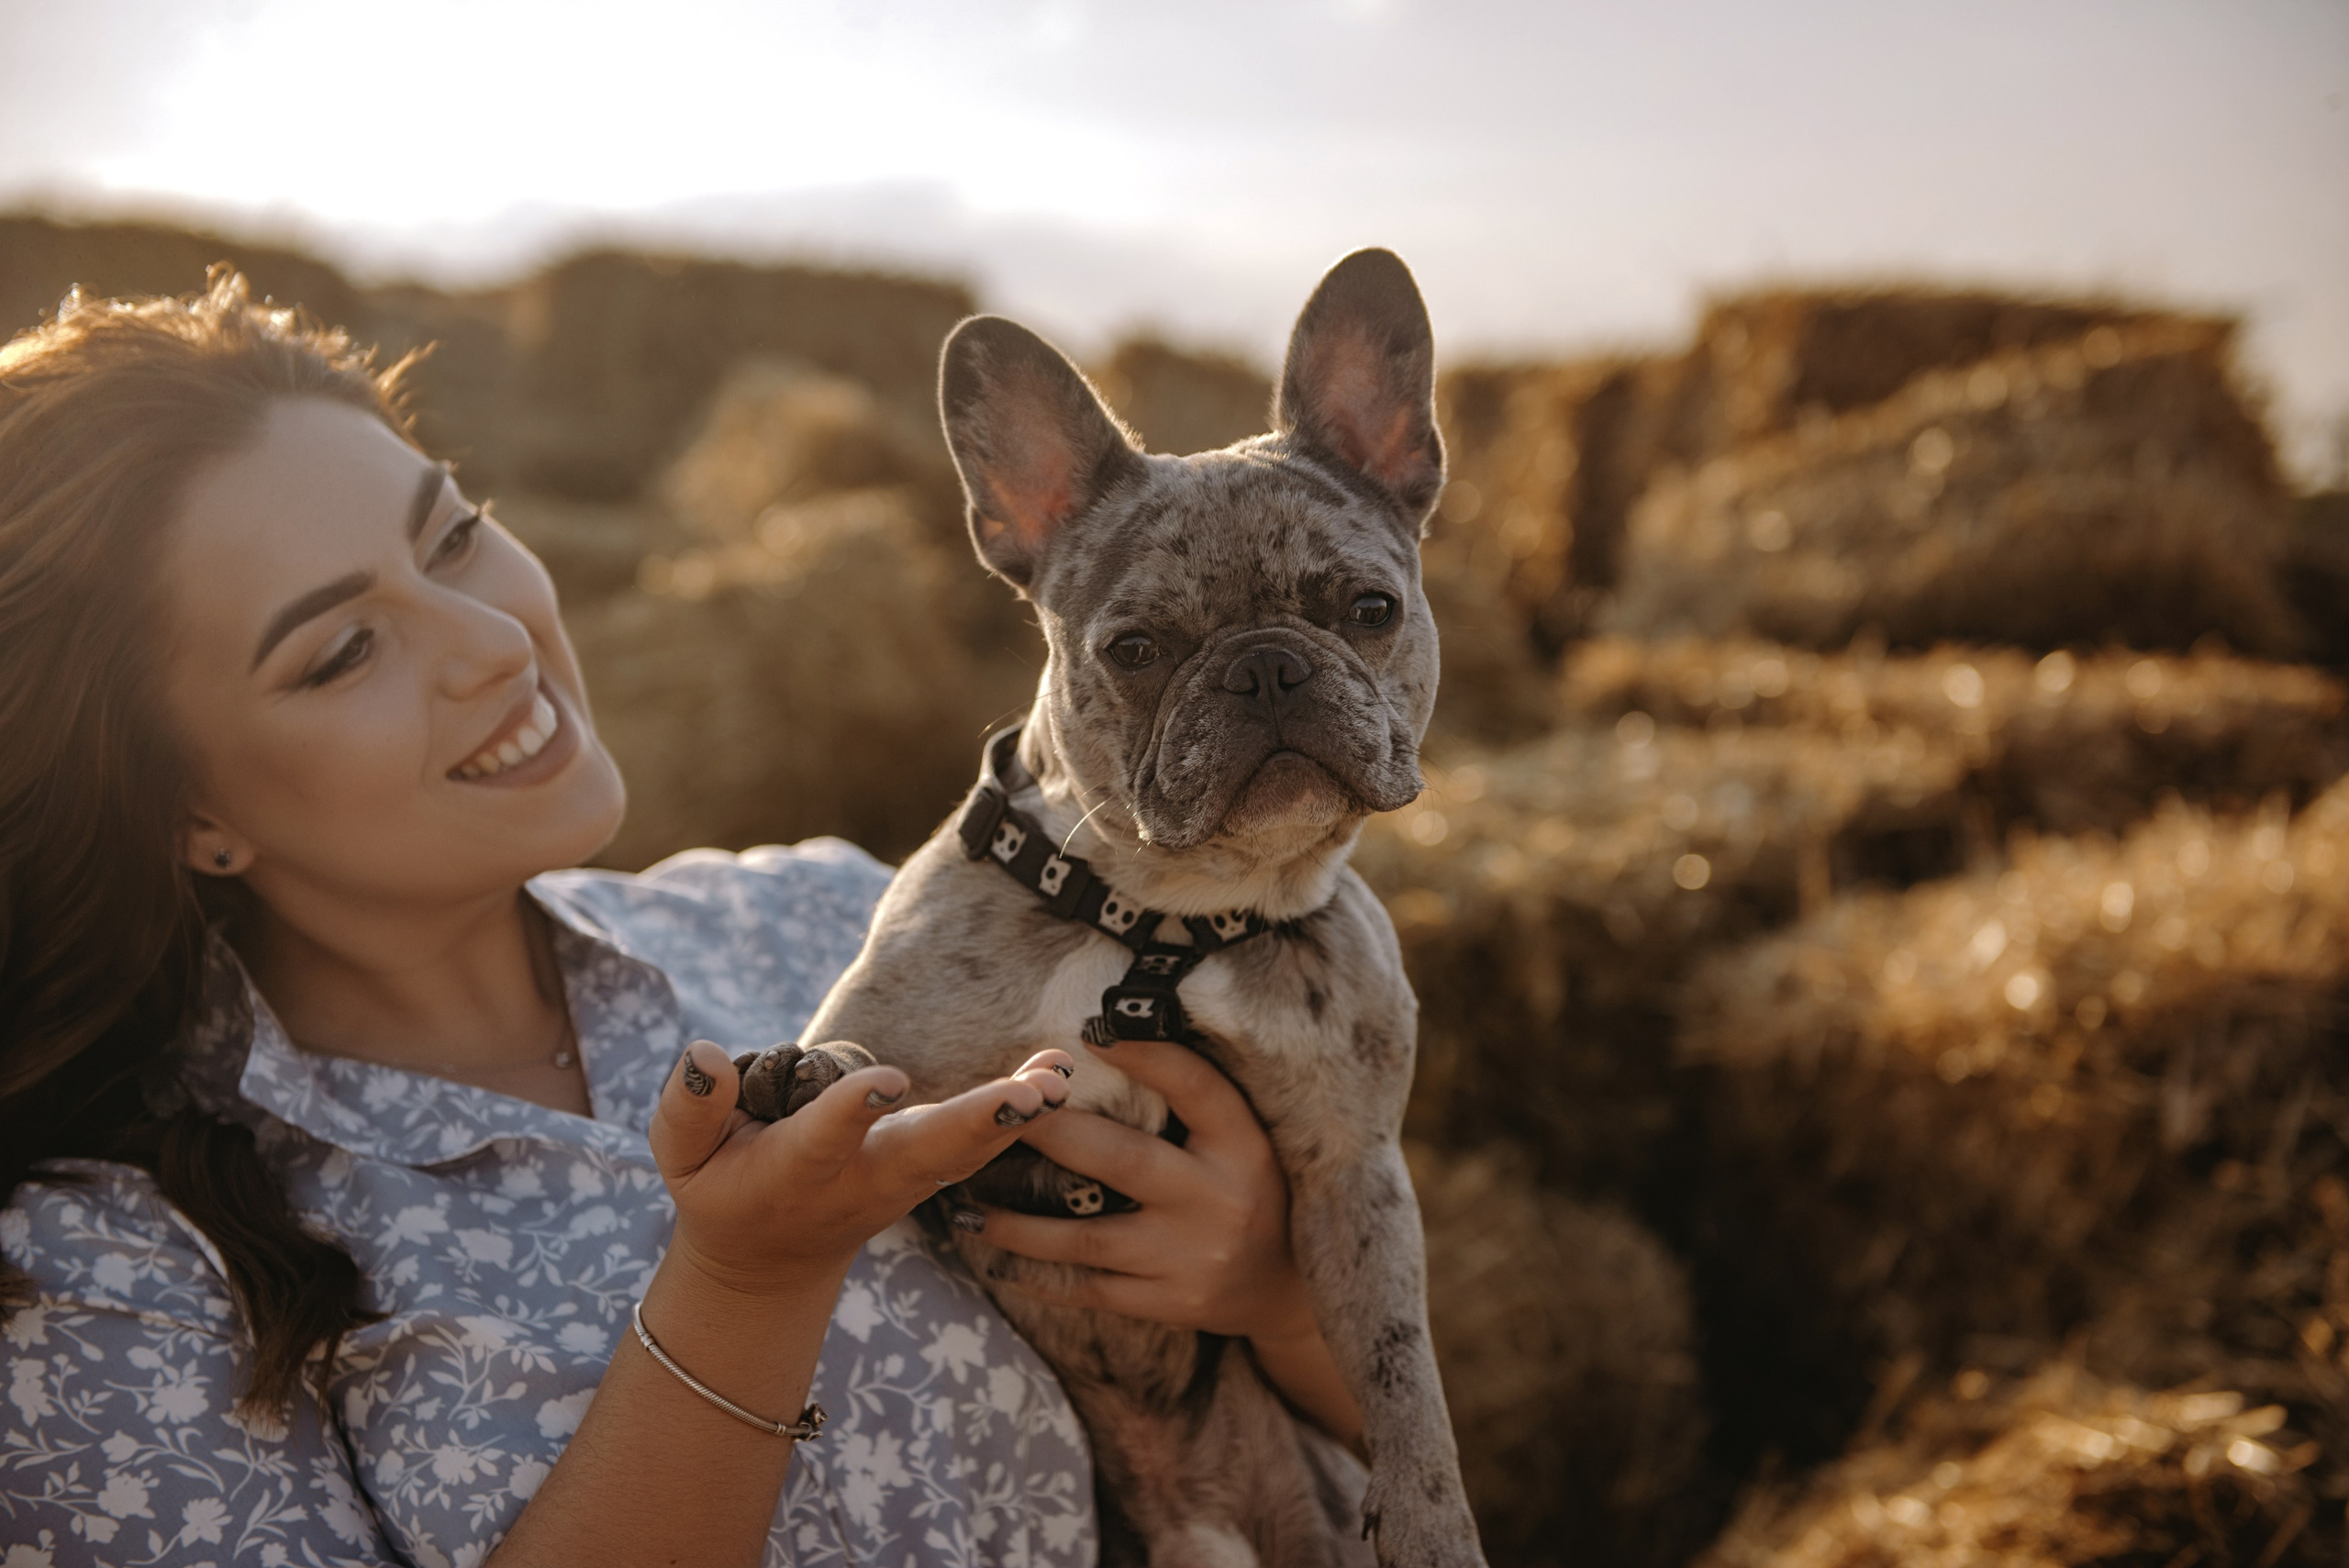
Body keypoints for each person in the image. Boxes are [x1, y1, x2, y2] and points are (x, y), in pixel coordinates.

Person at [0, 275, 1362, 1566]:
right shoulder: (95, 1282)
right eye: (341, 649)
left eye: (453, 535)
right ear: (186, 810)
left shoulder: (846, 924)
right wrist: (744, 1288)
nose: (490, 639)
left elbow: (1366, 1458)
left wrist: (1273, 1297)